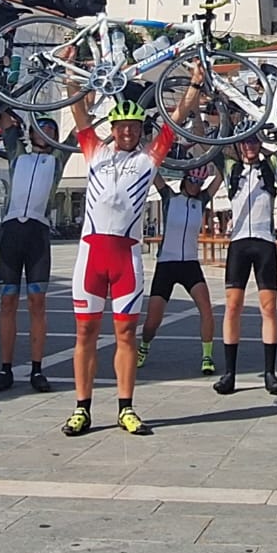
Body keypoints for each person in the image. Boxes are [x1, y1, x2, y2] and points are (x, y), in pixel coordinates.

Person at [62, 65, 203, 437]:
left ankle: (126, 407)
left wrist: (194, 83)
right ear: (112, 129)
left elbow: (177, 117)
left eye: (134, 128)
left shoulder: (147, 160)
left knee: (126, 336)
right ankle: (82, 408)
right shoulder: (94, 151)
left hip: (127, 260)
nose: (127, 132)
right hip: (90, 258)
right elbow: (78, 110)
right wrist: (69, 69)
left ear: (141, 131)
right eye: (122, 127)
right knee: (85, 334)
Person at [0, 113, 70, 394]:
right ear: (32, 134)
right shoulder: (17, 155)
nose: (45, 132)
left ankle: (37, 369)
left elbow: (82, 126)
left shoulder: (58, 159)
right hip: (11, 232)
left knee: (37, 303)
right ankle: (5, 369)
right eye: (41, 128)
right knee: (8, 302)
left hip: (38, 233)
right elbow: (5, 117)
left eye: (51, 129)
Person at [214, 129, 277, 397]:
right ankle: (229, 373)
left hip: (265, 242)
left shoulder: (272, 165)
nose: (250, 146)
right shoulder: (231, 166)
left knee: (269, 308)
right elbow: (209, 143)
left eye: (254, 140)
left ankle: (270, 372)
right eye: (245, 141)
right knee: (233, 306)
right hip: (238, 244)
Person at [139, 163, 222, 376]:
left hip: (190, 264)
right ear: (185, 180)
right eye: (192, 181)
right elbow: (153, 171)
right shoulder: (169, 198)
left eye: (199, 182)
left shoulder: (201, 201)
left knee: (206, 308)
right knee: (152, 321)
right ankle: (144, 346)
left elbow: (220, 176)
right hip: (167, 263)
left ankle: (207, 356)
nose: (195, 186)